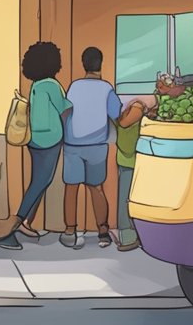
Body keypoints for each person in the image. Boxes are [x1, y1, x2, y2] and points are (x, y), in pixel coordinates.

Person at [0, 41, 71, 256]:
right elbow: (65, 108)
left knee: (39, 181)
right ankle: (9, 229)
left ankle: (25, 221)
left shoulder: (36, 85)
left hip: (35, 140)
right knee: (40, 182)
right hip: (50, 140)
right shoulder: (51, 85)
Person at [60, 47, 121, 249]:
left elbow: (66, 112)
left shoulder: (74, 87)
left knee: (71, 187)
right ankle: (103, 232)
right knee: (96, 188)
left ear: (83, 64)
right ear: (100, 63)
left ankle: (70, 231)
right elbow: (118, 114)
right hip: (96, 145)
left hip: (73, 144)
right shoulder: (106, 88)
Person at [113, 94, 151, 252]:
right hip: (131, 158)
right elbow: (125, 123)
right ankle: (127, 236)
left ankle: (130, 234)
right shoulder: (138, 108)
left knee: (126, 196)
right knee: (126, 197)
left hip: (126, 157)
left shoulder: (132, 106)